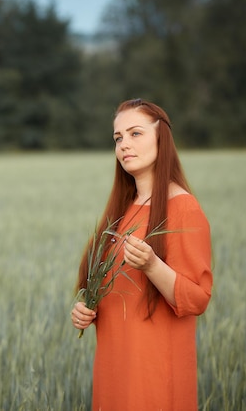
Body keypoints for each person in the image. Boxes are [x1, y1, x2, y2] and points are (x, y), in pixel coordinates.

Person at [71, 98, 213, 410]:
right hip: (114, 363)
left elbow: (198, 298)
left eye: (135, 134)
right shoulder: (122, 210)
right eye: (118, 138)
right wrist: (86, 308)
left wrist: (151, 265)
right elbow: (114, 289)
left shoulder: (183, 208)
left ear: (162, 138)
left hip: (154, 369)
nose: (124, 144)